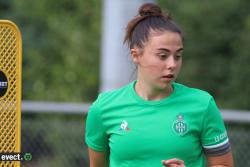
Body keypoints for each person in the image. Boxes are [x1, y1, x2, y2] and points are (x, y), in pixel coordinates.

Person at [85, 3, 234, 167]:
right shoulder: (103, 108)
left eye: (177, 56)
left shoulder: (203, 104)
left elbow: (224, 164)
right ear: (136, 55)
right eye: (162, 56)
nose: (172, 64)